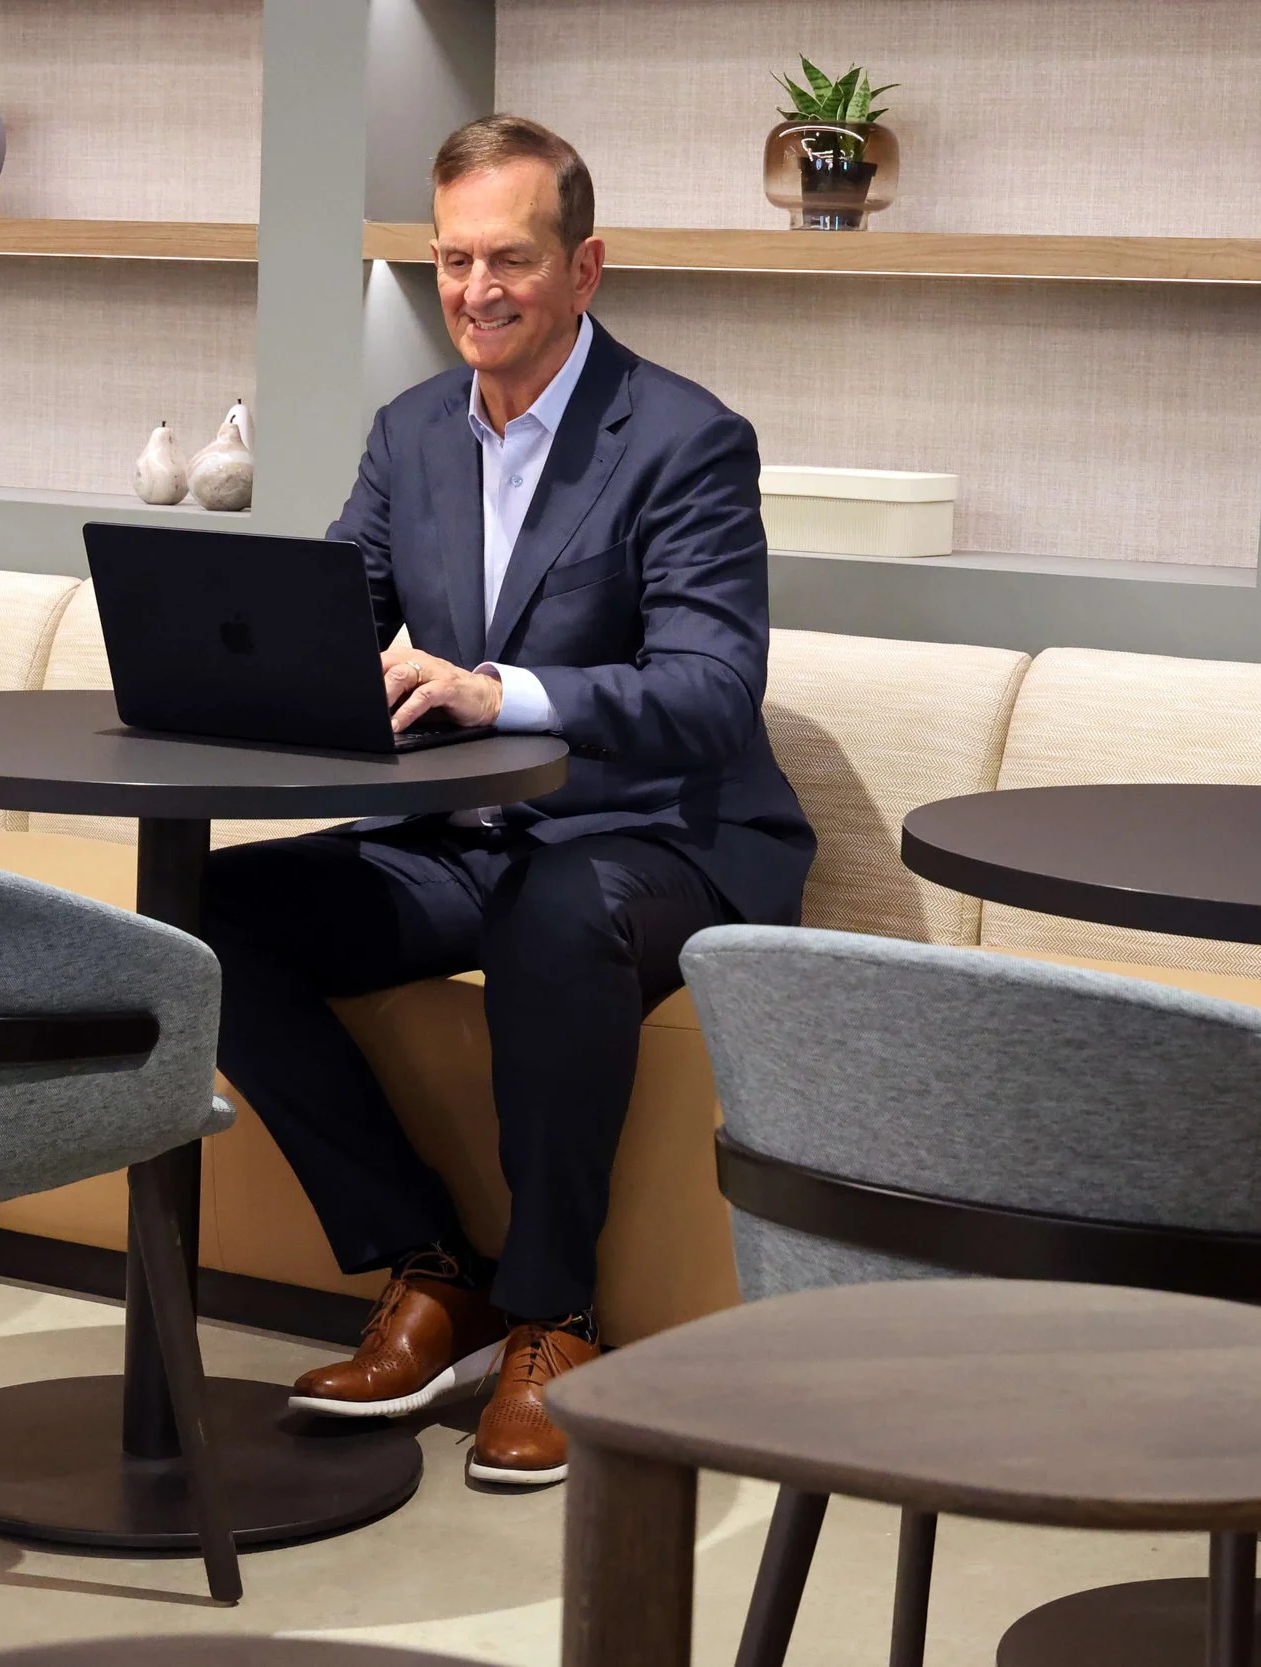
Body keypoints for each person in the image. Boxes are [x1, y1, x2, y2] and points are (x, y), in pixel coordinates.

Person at [200, 115, 813, 1487]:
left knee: (554, 910)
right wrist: (253, 668)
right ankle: (431, 1266)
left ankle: (554, 1317)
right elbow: (334, 618)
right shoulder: (410, 434)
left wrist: (497, 693)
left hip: (656, 837)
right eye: (454, 260)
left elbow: (714, 692)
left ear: (584, 268)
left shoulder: (686, 440)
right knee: (206, 908)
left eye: (512, 260)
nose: (477, 290)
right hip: (463, 838)